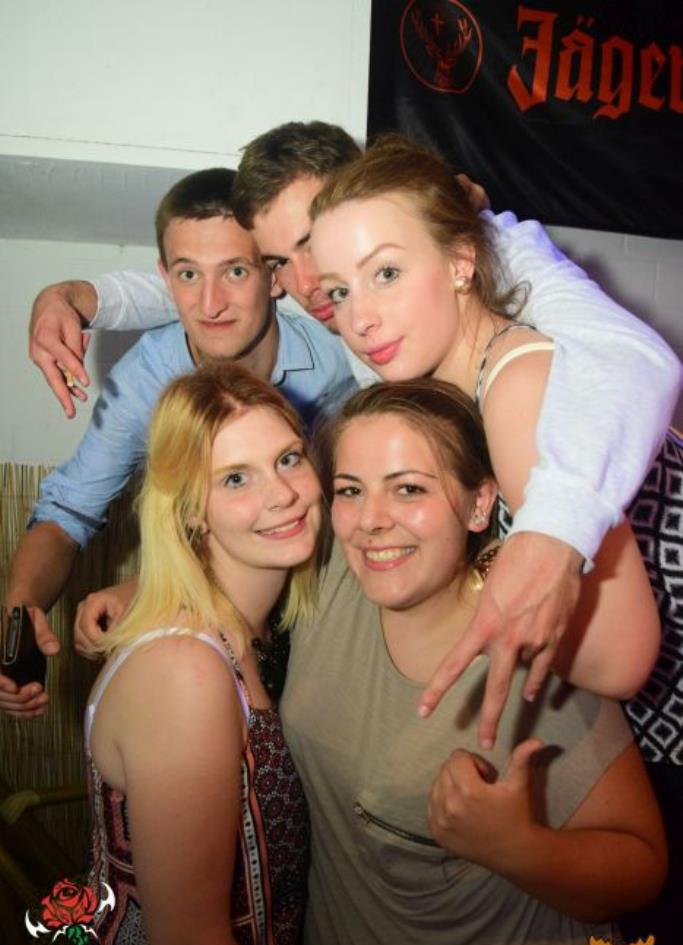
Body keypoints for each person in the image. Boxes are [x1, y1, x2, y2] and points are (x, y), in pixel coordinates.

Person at [24, 121, 680, 739]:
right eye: (284, 263)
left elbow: (635, 358)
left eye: (372, 269)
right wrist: (80, 297)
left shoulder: (506, 331)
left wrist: (533, 544)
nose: (314, 287)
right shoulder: (376, 325)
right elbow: (214, 284)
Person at [279, 378, 667, 945]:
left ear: (479, 503)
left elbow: (641, 867)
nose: (371, 520)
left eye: (409, 489)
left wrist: (517, 847)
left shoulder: (532, 646)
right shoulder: (334, 577)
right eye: (350, 490)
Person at [0, 166, 354, 716]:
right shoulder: (145, 380)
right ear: (165, 280)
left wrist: (150, 591)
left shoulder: (339, 354)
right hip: (220, 628)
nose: (210, 304)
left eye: (235, 270)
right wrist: (19, 611)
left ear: (273, 276)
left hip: (329, 598)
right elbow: (68, 511)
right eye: (189, 274)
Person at [86, 360, 320, 945]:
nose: (283, 493)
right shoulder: (185, 671)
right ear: (191, 509)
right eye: (236, 478)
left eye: (289, 458)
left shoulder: (262, 629)